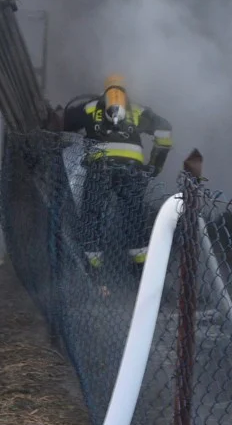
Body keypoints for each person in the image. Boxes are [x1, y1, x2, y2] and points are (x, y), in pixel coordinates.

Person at [62, 73, 173, 280]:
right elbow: (164, 130)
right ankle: (140, 271)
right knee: (134, 218)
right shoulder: (138, 110)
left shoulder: (90, 107)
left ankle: (93, 270)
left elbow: (65, 123)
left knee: (92, 217)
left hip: (99, 168)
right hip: (131, 171)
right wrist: (155, 165)